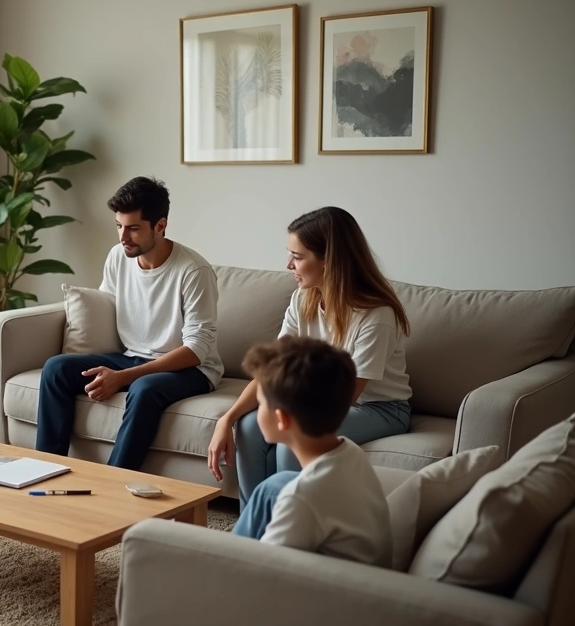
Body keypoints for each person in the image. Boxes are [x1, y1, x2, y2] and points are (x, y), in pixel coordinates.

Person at [208, 206, 412, 506]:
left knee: (294, 434)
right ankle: (254, 525)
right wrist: (226, 419)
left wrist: (286, 412)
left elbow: (346, 396)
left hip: (379, 408)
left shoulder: (376, 315)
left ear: (329, 261)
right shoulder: (303, 298)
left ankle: (289, 523)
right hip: (316, 399)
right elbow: (272, 370)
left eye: (298, 256)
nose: (288, 264)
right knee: (248, 426)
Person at [35, 176, 223, 470]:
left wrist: (123, 377)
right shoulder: (118, 256)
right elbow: (107, 304)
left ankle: (115, 482)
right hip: (131, 356)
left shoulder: (193, 271)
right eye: (119, 226)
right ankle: (45, 467)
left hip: (191, 369)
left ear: (160, 226)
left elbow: (197, 349)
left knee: (144, 388)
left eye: (134, 229)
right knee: (56, 368)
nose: (123, 237)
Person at [230, 336, 392, 567]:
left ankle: (228, 555)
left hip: (332, 594)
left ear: (281, 419)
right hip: (362, 563)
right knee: (274, 485)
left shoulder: (301, 500)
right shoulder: (350, 453)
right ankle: (234, 548)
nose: (257, 411)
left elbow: (261, 576)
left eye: (260, 403)